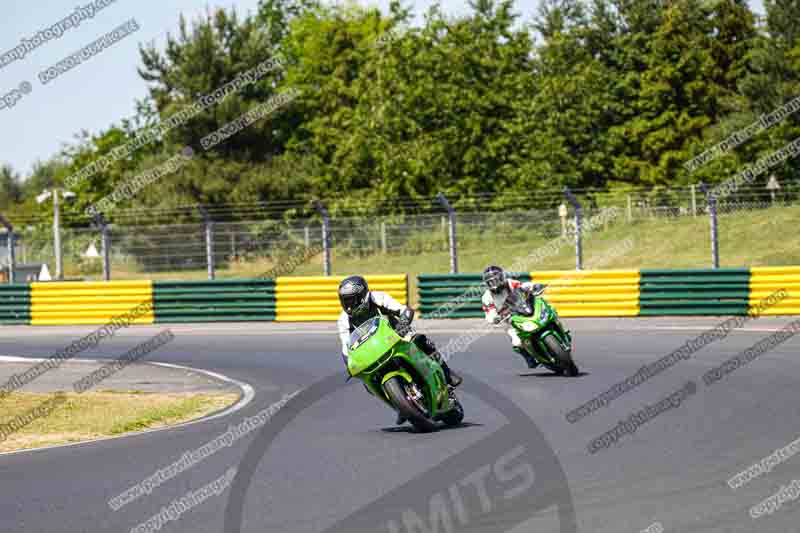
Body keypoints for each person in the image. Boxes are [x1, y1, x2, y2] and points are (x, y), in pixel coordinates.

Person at [337, 275, 462, 388]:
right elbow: (346, 349)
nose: (348, 306)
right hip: (371, 353)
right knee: (368, 384)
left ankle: (447, 373)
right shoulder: (343, 320)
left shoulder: (377, 298)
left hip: (396, 336)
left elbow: (404, 311)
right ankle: (400, 405)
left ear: (363, 296)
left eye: (352, 300)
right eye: (345, 301)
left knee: (422, 341)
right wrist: (350, 365)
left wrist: (401, 326)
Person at [481, 265, 541, 368]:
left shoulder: (510, 283)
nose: (494, 284)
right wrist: (494, 318)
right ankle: (528, 357)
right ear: (487, 283)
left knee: (544, 309)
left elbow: (523, 286)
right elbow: (489, 313)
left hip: (524, 310)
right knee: (517, 343)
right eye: (491, 282)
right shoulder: (487, 297)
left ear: (502, 277)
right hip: (509, 321)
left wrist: (533, 286)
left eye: (496, 279)